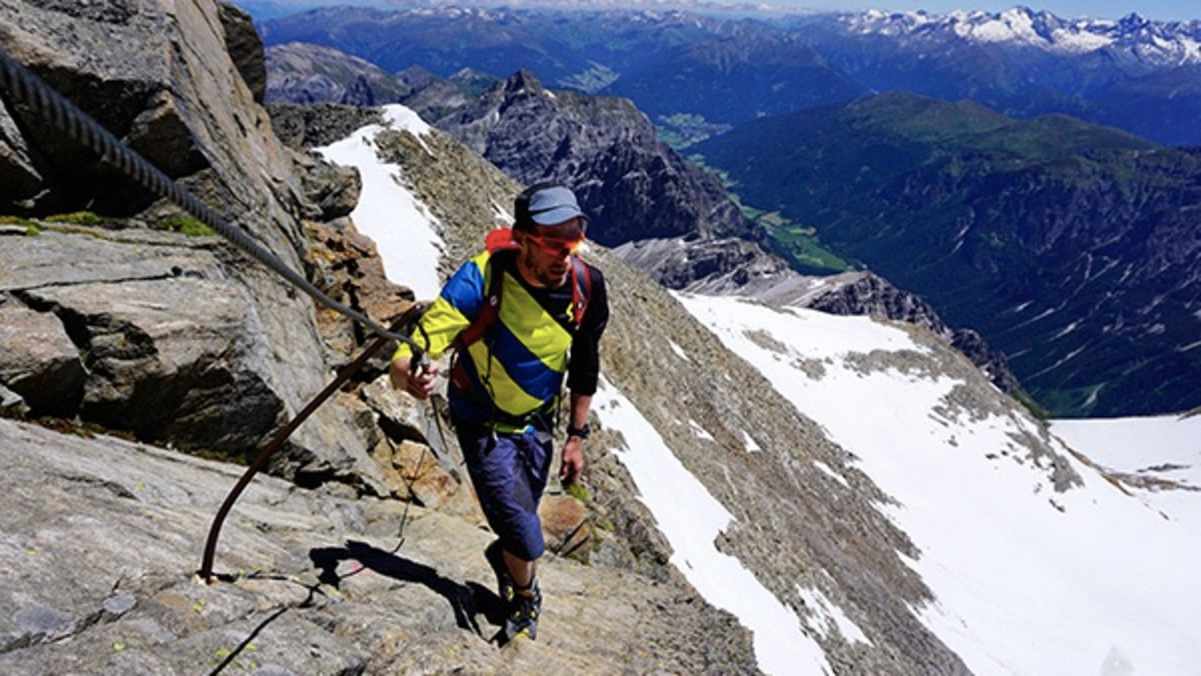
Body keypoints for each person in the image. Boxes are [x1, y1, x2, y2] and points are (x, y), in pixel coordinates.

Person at [389, 184, 609, 642]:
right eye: (553, 245)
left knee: (519, 516)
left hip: (538, 421)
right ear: (523, 239)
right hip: (482, 421)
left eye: (573, 245)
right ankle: (527, 598)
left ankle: (506, 557)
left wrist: (576, 436)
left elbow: (586, 363)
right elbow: (421, 343)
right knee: (525, 534)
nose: (564, 257)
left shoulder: (586, 287)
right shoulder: (482, 279)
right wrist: (408, 372)